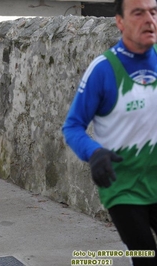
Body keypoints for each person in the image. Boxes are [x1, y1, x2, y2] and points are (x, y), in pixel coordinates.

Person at [62, 0, 157, 265]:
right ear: (120, 22)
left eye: (154, 12)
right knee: (146, 255)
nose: (149, 19)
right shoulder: (103, 69)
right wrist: (93, 152)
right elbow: (72, 126)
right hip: (123, 186)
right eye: (138, 13)